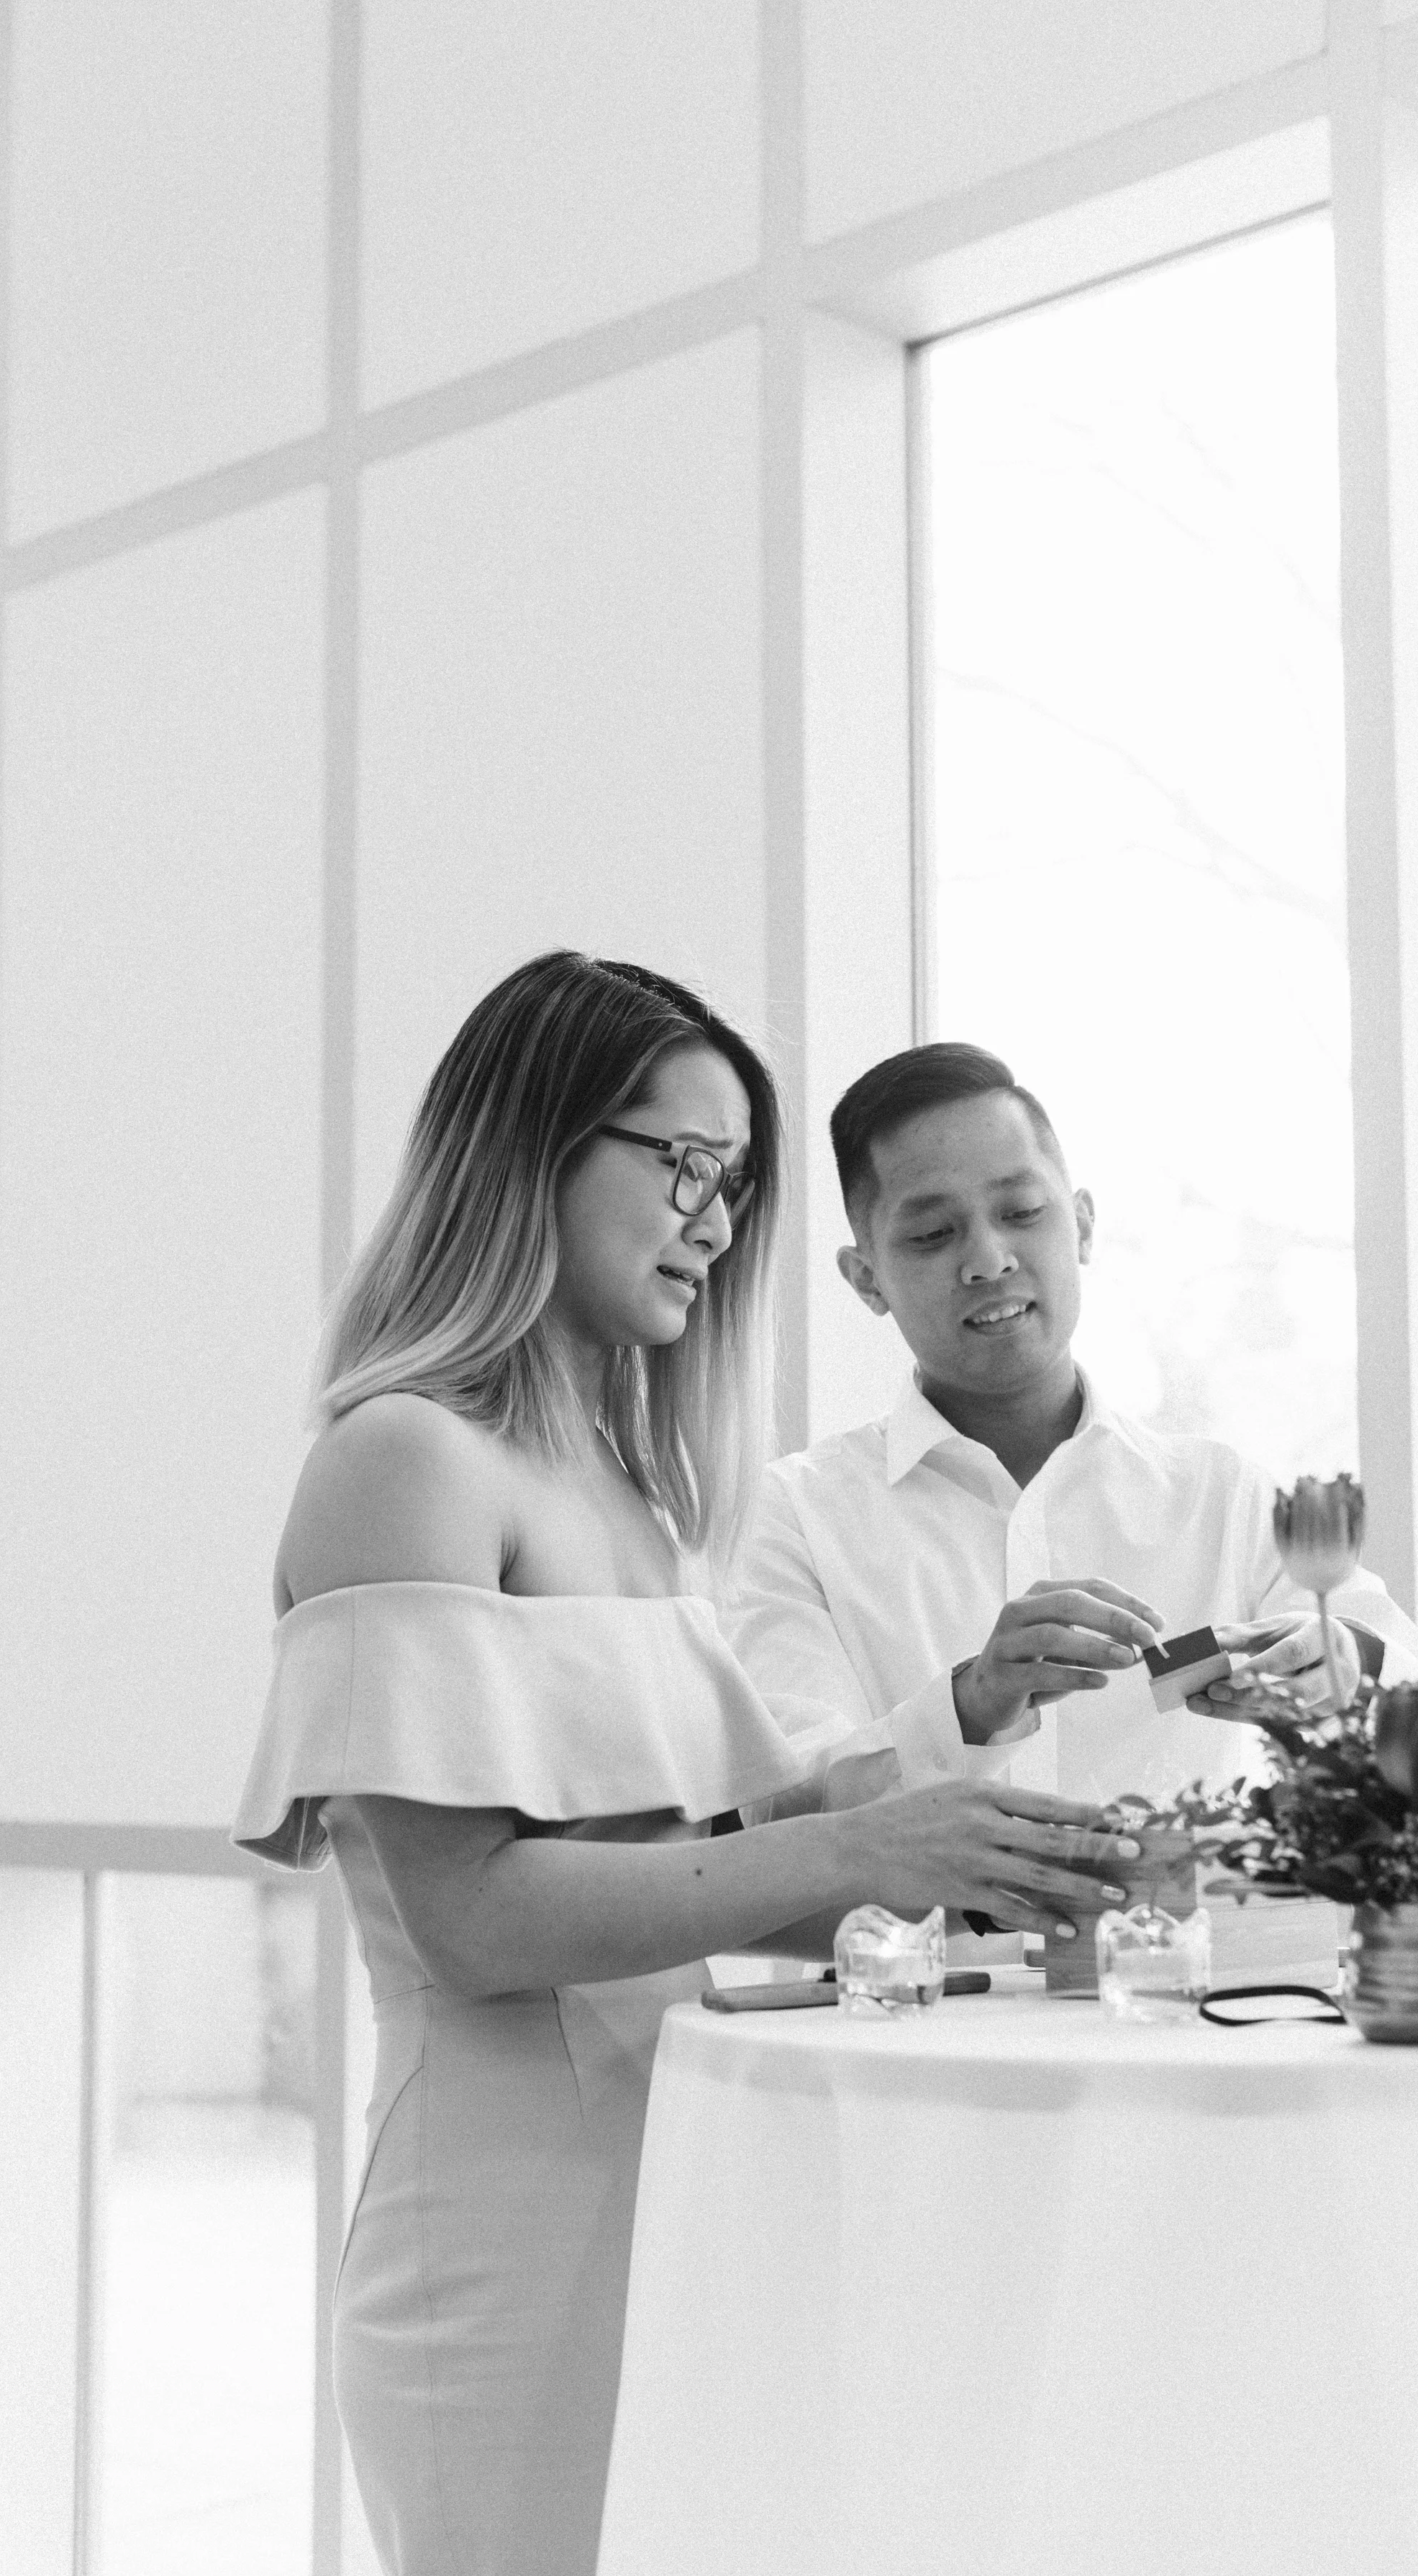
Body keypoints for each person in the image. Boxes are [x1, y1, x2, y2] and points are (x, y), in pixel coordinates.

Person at [231, 957, 1142, 2576]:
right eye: (683, 1165)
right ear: (529, 1145)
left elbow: (704, 1853)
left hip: (689, 2202)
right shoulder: (403, 1462)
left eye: (734, 1188)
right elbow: (479, 1924)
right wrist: (870, 1854)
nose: (715, 1225)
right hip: (507, 2259)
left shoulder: (628, 1500)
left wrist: (1001, 1874)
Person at [726, 1041, 1418, 1846]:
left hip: (1198, 1969)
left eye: (1023, 1213)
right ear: (866, 1281)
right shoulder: (795, 1516)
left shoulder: (1222, 1495)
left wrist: (1341, 1660)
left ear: (1085, 1226)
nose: (988, 1259)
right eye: (932, 1234)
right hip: (915, 1973)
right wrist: (970, 1702)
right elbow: (780, 1810)